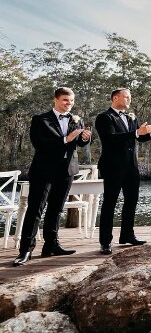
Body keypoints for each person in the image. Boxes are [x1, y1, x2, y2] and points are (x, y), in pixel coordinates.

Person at [12, 87, 92, 266]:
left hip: (67, 171)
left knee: (56, 210)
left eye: (71, 101)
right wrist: (66, 139)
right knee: (35, 210)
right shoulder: (41, 120)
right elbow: (40, 144)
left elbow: (79, 142)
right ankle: (25, 250)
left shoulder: (76, 120)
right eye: (65, 100)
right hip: (43, 171)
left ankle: (51, 245)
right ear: (55, 100)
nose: (69, 104)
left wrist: (85, 138)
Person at [95, 88, 151, 255]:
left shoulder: (130, 117)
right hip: (112, 166)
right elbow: (110, 138)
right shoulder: (104, 117)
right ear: (115, 98)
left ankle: (127, 235)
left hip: (131, 167)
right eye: (126, 97)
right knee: (109, 204)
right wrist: (135, 132)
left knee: (131, 201)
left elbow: (138, 137)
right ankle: (105, 241)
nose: (129, 100)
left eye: (130, 97)